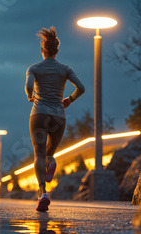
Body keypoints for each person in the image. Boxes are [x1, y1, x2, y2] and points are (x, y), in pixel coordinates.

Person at [25, 26, 85, 212]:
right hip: (59, 115)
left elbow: (28, 86)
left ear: (42, 50)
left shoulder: (34, 68)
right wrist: (69, 100)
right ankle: (51, 163)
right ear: (57, 51)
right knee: (49, 154)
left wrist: (30, 95)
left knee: (38, 153)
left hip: (39, 113)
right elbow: (81, 88)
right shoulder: (65, 69)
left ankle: (43, 193)